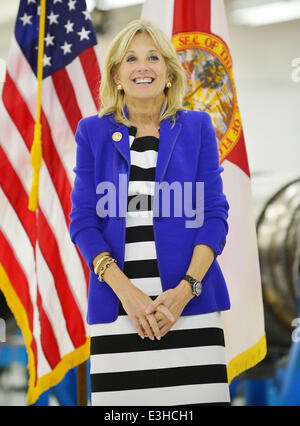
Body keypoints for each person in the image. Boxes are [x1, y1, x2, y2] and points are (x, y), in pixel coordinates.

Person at [69, 19, 231, 406]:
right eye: (131, 58)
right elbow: (84, 222)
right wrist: (128, 294)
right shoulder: (92, 132)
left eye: (153, 57)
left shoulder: (198, 127)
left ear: (170, 73)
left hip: (190, 313)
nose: (143, 66)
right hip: (119, 316)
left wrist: (182, 294)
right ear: (117, 75)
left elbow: (214, 216)